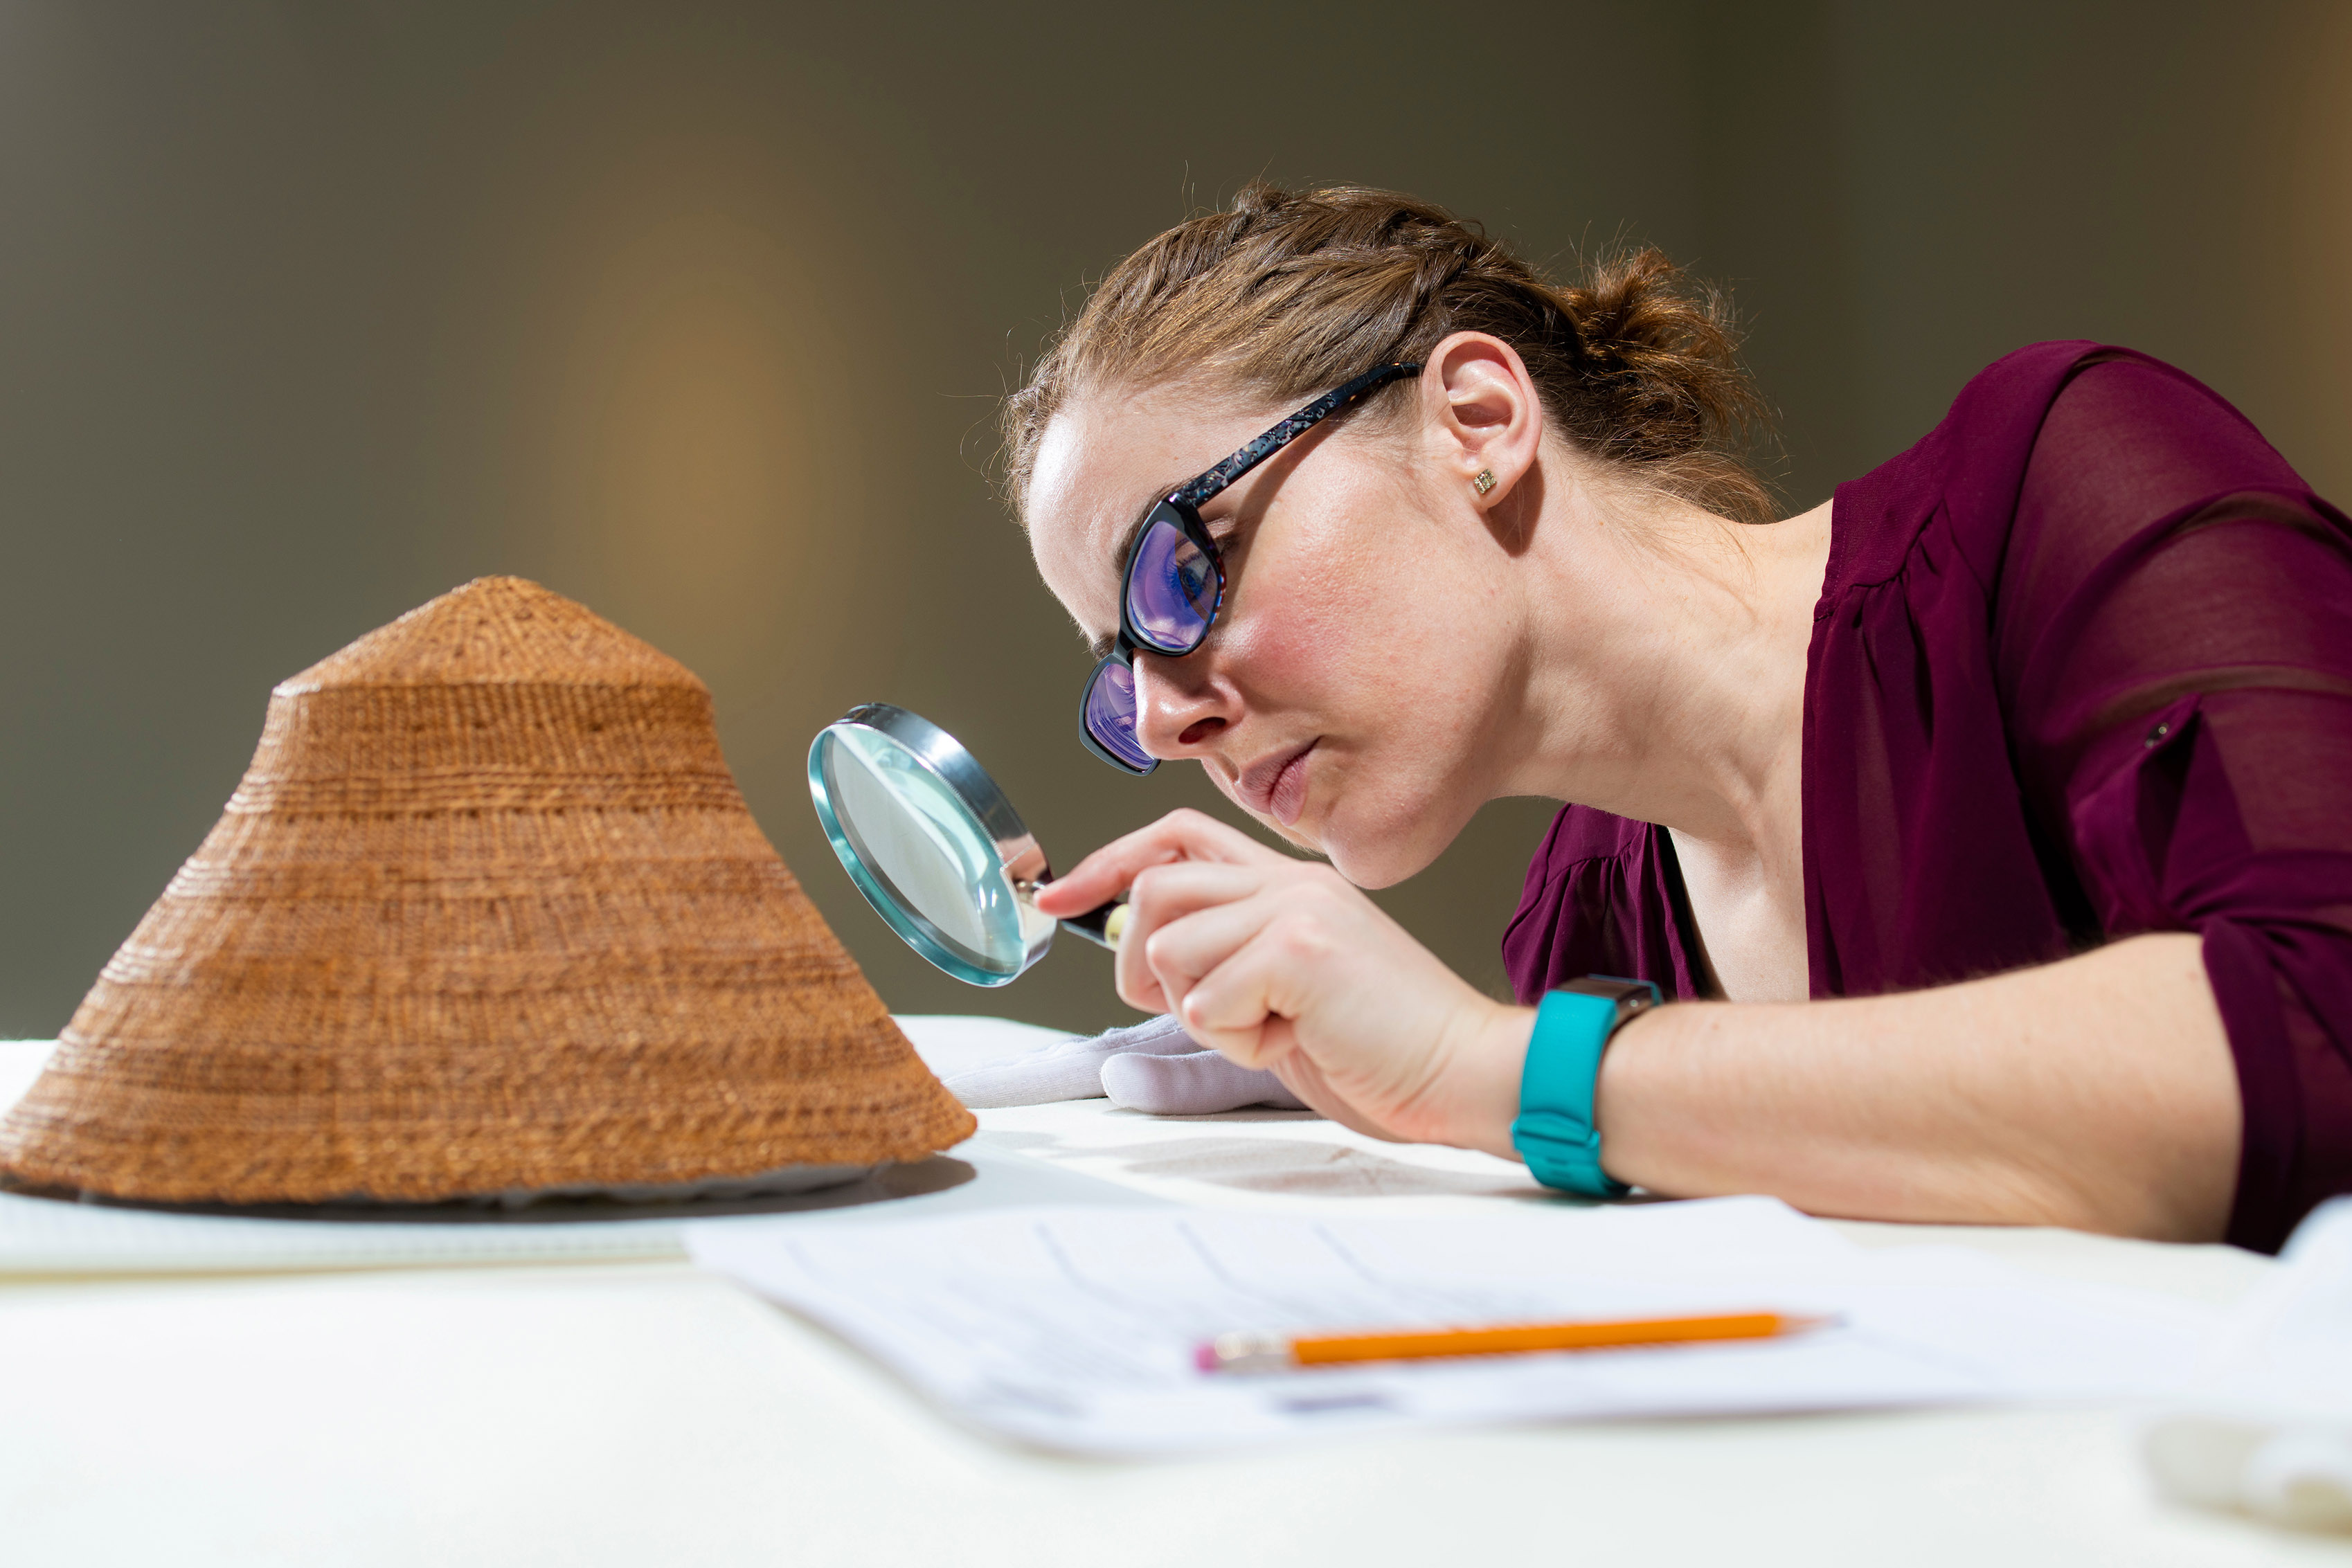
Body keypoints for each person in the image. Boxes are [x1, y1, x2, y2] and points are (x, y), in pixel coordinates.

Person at [1002, 183, 2352, 1253]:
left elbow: (2321, 1024)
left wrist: (1488, 1064)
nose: (1168, 718)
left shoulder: (2062, 478)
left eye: (1182, 569)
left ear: (1474, 420)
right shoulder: (1584, 924)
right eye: (1121, 669)